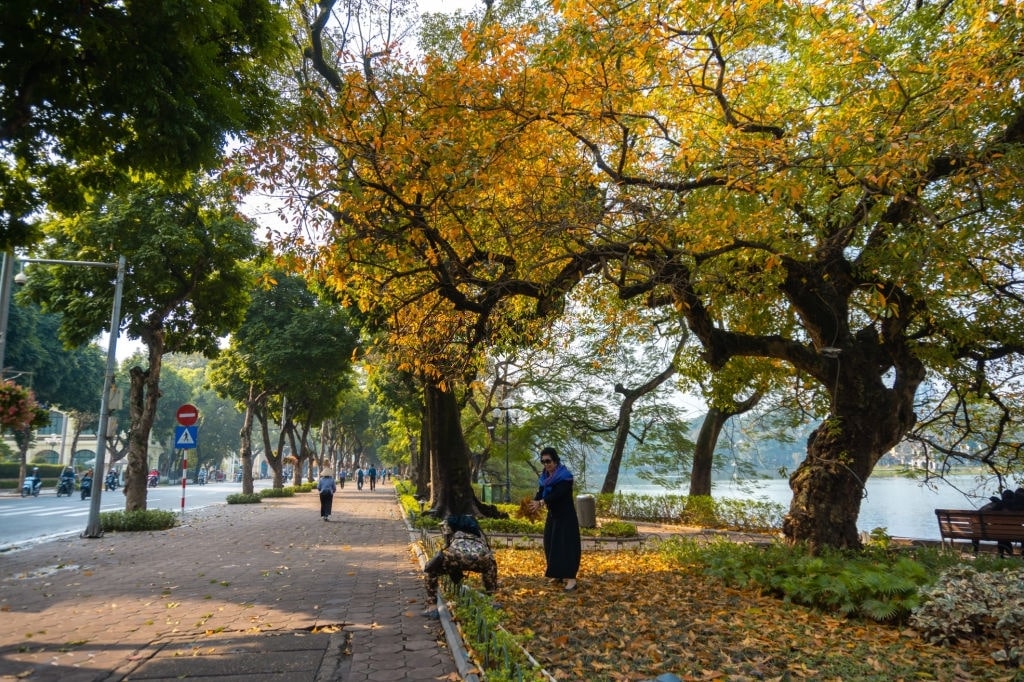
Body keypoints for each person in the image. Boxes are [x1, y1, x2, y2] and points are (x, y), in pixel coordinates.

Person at [529, 446, 581, 591]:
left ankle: (571, 579)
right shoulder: (545, 478)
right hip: (553, 516)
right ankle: (558, 575)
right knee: (551, 545)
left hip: (566, 517)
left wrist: (542, 502)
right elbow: (541, 493)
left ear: (556, 461)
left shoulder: (565, 477)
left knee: (567, 547)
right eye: (543, 462)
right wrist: (534, 503)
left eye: (549, 461)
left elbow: (557, 494)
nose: (546, 465)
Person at [423, 514, 498, 614]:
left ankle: (432, 606)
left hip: (456, 557)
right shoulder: (476, 527)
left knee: (431, 570)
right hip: (480, 558)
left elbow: (447, 544)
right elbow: (487, 546)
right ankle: (492, 600)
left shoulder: (451, 521)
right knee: (490, 566)